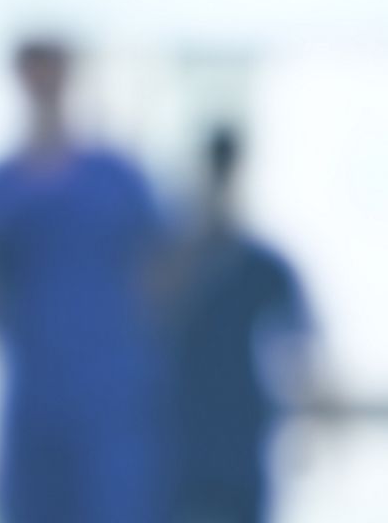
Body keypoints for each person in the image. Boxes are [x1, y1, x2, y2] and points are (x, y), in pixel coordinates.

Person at [0, 36, 164, 523]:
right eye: (35, 73)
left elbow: (160, 272)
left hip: (110, 397)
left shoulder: (117, 179)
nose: (44, 85)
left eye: (53, 71)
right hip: (33, 396)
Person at [161, 127, 309, 523]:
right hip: (179, 457)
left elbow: (299, 354)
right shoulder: (171, 265)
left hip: (240, 453)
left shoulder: (264, 267)